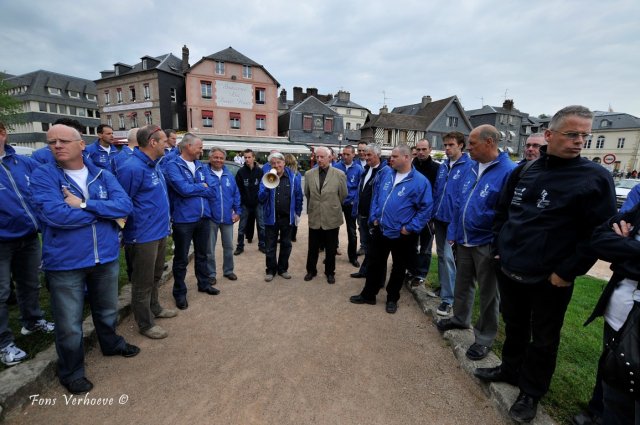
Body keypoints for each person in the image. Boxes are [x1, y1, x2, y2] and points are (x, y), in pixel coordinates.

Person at [475, 106, 617, 423]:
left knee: (544, 338)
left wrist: (566, 272)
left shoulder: (595, 178)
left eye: (585, 135)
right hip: (511, 269)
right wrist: (499, 249)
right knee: (514, 325)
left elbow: (598, 233)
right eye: (572, 134)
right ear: (550, 135)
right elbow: (503, 213)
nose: (580, 141)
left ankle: (531, 392)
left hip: (551, 279)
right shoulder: (525, 171)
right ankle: (510, 370)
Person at [30, 124, 138, 395]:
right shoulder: (44, 175)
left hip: (105, 257)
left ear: (81, 145)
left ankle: (110, 343)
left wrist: (83, 204)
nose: (56, 145)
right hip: (66, 262)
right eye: (51, 141)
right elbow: (55, 215)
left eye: (64, 140)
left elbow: (125, 206)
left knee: (107, 309)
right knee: (69, 324)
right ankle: (72, 371)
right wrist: (103, 212)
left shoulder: (101, 173)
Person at [436, 125, 516, 361]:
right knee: (462, 283)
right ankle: (460, 318)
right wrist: (453, 231)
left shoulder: (508, 171)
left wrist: (499, 244)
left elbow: (508, 214)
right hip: (463, 238)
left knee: (489, 293)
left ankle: (484, 337)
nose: (468, 147)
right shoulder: (471, 167)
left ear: (489, 142)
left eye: (472, 143)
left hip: (486, 242)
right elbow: (460, 201)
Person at [350, 144, 432, 313]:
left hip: (403, 234)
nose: (390, 159)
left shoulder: (420, 181)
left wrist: (410, 228)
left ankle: (392, 298)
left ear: (407, 158)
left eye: (394, 156)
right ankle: (368, 295)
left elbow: (426, 209)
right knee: (374, 262)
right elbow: (377, 196)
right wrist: (374, 217)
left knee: (399, 267)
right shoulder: (387, 174)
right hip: (381, 228)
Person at [0, 122, 54, 367]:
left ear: (2, 134)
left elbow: (42, 185)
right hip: (2, 242)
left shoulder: (22, 162)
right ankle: (4, 344)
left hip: (30, 236)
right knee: (1, 293)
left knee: (29, 283)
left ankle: (32, 322)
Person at [116, 125, 177, 340]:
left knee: (156, 275)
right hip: (142, 236)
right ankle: (145, 323)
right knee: (142, 281)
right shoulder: (131, 168)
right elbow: (123, 203)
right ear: (152, 142)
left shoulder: (155, 165)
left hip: (159, 232)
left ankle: (155, 308)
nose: (167, 144)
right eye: (163, 141)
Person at [585, 205, 640, 425]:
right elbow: (599, 238)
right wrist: (633, 248)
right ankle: (596, 411)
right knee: (611, 379)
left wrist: (624, 252)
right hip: (617, 314)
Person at [164, 133, 218, 310]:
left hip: (203, 218)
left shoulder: (201, 166)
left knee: (202, 254)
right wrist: (201, 187)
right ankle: (179, 293)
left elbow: (213, 189)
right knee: (181, 259)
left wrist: (199, 188)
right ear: (188, 146)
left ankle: (203, 284)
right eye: (200, 147)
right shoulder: (173, 165)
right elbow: (183, 189)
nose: (202, 151)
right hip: (183, 220)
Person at [430, 132, 473, 314]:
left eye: (451, 145)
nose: (447, 148)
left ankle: (448, 300)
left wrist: (457, 223)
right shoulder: (443, 166)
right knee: (441, 256)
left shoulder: (469, 166)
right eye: (445, 145)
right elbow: (437, 190)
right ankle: (444, 288)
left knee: (449, 258)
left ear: (461, 145)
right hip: (439, 218)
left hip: (453, 221)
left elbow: (464, 197)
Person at [304, 147, 347, 284]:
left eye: (322, 157)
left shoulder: (339, 174)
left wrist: (332, 206)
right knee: (313, 247)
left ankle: (330, 272)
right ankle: (311, 270)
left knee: (331, 247)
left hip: (331, 216)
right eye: (317, 157)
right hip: (315, 215)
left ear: (330, 158)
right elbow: (307, 194)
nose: (319, 159)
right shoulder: (309, 174)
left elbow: (343, 195)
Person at [258, 152, 303, 282]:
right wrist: (267, 186)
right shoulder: (267, 177)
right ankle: (271, 270)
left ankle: (283, 269)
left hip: (287, 218)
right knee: (270, 245)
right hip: (271, 217)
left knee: (286, 244)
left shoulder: (293, 177)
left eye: (278, 162)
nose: (276, 165)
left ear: (284, 163)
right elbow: (260, 199)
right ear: (270, 165)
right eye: (273, 163)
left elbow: (299, 196)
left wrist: (298, 213)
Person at [406, 139, 440, 291]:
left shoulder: (437, 168)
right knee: (411, 245)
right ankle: (411, 270)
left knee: (425, 248)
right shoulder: (411, 166)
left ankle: (420, 275)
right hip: (411, 213)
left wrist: (432, 216)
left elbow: (438, 193)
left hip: (428, 214)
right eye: (418, 149)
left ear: (430, 149)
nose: (420, 152)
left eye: (424, 149)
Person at [350, 144, 388, 280]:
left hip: (374, 218)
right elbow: (360, 192)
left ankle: (379, 278)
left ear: (378, 155)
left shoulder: (385, 172)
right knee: (366, 246)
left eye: (369, 155)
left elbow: (382, 197)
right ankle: (365, 271)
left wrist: (376, 217)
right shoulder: (366, 170)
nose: (366, 158)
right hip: (362, 215)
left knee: (378, 249)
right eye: (365, 155)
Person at [206, 147, 241, 282]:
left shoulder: (229, 176)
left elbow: (236, 194)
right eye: (215, 157)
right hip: (211, 218)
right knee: (209, 249)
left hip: (227, 217)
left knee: (229, 246)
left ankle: (228, 270)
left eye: (221, 158)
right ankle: (211, 274)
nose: (218, 160)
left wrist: (238, 211)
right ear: (210, 158)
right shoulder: (205, 173)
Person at [334, 145, 364, 267]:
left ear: (353, 155)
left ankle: (353, 257)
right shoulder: (336, 167)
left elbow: (360, 188)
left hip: (351, 204)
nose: (344, 156)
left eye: (347, 154)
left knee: (351, 231)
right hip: (337, 203)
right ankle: (331, 253)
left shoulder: (359, 169)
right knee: (332, 229)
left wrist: (355, 201)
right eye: (343, 154)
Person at [234, 149, 265, 255]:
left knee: (261, 225)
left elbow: (263, 186)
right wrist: (240, 203)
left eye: (249, 157)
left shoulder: (260, 171)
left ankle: (262, 245)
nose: (247, 159)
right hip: (245, 204)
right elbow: (237, 189)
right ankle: (240, 246)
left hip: (257, 203)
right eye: (245, 157)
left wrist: (260, 199)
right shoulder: (241, 172)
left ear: (253, 158)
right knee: (242, 227)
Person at [284, 154, 302, 242]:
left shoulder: (293, 175)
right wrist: (299, 211)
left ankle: (290, 237)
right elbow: (299, 195)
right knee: (294, 220)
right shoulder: (297, 174)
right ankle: (293, 236)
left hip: (288, 204)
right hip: (294, 204)